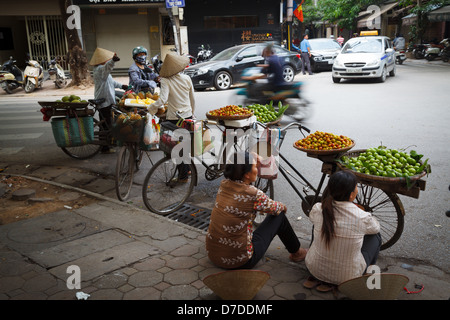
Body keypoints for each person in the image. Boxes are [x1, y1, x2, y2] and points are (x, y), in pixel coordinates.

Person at [205, 151, 307, 269]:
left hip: (213, 255)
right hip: (239, 260)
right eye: (254, 166)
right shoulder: (253, 194)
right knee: (279, 217)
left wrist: (251, 158)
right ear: (247, 174)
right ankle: (297, 253)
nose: (257, 168)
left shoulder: (224, 185)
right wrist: (282, 206)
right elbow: (278, 208)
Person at [304, 170, 382, 292]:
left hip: (314, 269)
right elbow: (376, 228)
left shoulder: (319, 208)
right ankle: (368, 271)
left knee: (318, 225)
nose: (357, 189)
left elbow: (313, 218)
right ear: (351, 195)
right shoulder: (362, 217)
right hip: (348, 278)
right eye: (356, 187)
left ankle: (320, 276)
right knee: (375, 236)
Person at [148, 52, 196, 181]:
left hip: (174, 119)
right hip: (188, 116)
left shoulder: (165, 80)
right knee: (184, 146)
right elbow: (192, 99)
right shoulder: (187, 78)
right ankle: (187, 170)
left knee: (174, 148)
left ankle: (183, 176)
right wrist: (192, 114)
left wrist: (151, 108)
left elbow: (162, 99)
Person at [90, 47, 128, 153]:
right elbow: (107, 68)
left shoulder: (102, 70)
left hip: (107, 100)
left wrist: (122, 86)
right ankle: (105, 148)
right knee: (106, 125)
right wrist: (112, 61)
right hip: (103, 100)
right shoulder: (99, 70)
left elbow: (111, 82)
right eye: (106, 59)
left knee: (106, 123)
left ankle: (108, 143)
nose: (107, 60)